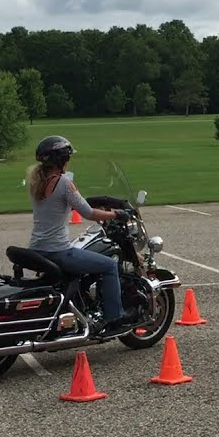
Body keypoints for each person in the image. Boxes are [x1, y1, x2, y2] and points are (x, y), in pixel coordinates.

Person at [25, 135, 136, 336]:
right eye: (68, 157)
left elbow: (74, 203)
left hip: (37, 248)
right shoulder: (64, 183)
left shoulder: (35, 184)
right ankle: (115, 318)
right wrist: (116, 214)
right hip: (58, 251)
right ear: (61, 159)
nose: (69, 161)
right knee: (109, 265)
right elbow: (88, 213)